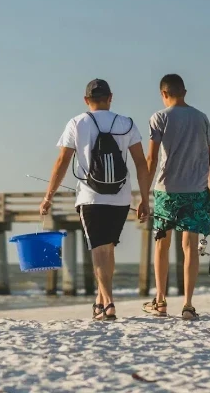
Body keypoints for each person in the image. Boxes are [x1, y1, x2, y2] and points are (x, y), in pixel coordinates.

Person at [39, 78, 150, 321]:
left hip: (91, 197)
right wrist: (144, 199)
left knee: (98, 249)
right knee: (107, 248)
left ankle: (108, 303)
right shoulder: (126, 123)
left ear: (86, 100)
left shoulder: (77, 123)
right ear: (110, 98)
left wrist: (48, 196)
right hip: (121, 197)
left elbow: (62, 162)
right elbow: (142, 164)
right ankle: (100, 301)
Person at [142, 74, 210, 320]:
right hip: (197, 191)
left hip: (166, 191)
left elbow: (152, 159)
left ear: (163, 94)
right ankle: (187, 304)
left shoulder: (159, 117)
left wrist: (144, 194)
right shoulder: (201, 118)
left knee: (161, 245)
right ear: (184, 91)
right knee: (190, 248)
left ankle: (161, 301)